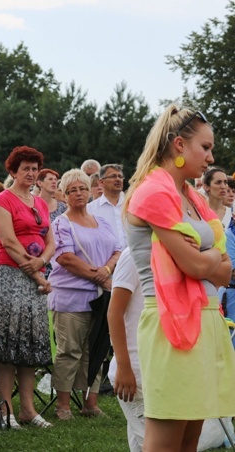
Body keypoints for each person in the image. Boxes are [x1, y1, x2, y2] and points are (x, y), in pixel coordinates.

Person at [124, 106, 235, 450]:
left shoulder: (193, 198)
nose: (211, 156)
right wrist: (213, 256)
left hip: (205, 321)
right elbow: (198, 268)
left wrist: (210, 259)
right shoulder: (153, 193)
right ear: (178, 145)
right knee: (165, 442)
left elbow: (226, 271)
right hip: (172, 325)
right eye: (205, 147)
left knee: (191, 441)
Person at [108, 247, 227, 452]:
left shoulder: (183, 255)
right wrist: (123, 366)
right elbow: (114, 312)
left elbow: (222, 276)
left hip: (166, 366)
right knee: (164, 444)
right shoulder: (134, 254)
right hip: (137, 370)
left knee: (146, 444)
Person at [48, 169, 121, 420]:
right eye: (72, 190)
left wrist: (107, 270)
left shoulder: (102, 221)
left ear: (90, 192)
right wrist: (98, 275)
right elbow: (65, 258)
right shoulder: (60, 223)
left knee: (97, 349)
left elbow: (118, 250)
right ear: (64, 195)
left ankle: (91, 403)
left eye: (82, 189)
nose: (78, 194)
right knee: (70, 351)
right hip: (71, 296)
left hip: (100, 296)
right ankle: (63, 406)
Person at [0, 146, 54, 429]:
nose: (31, 173)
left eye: (34, 168)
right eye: (25, 168)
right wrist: (39, 276)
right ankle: (5, 410)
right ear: (13, 171)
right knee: (9, 345)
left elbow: (51, 239)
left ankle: (28, 409)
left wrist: (42, 261)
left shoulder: (40, 203)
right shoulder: (3, 200)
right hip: (8, 276)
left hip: (34, 274)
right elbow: (9, 241)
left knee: (30, 344)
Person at [87, 164, 127, 249]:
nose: (118, 179)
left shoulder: (131, 205)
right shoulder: (90, 209)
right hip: (105, 260)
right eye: (113, 176)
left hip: (131, 259)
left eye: (120, 177)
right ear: (101, 182)